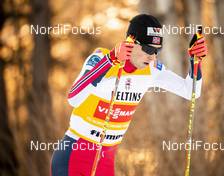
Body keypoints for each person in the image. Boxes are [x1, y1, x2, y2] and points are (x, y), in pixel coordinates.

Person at [51, 14, 207, 176]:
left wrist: (195, 62)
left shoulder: (152, 70)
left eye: (157, 51)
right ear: (131, 43)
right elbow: (73, 98)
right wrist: (110, 60)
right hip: (75, 155)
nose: (152, 56)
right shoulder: (101, 58)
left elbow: (191, 92)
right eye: (148, 49)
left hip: (106, 161)